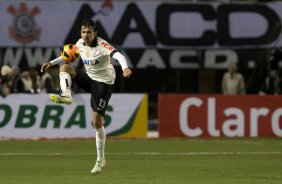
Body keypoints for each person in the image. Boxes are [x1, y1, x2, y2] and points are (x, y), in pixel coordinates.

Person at [40, 19, 132, 174]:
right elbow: (67, 55)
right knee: (65, 67)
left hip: (104, 83)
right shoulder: (80, 43)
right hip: (89, 78)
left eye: (89, 32)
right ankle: (66, 95)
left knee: (96, 121)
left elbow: (119, 56)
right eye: (83, 32)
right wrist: (51, 62)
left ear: (95, 33)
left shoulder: (102, 45)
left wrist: (125, 68)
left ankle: (100, 160)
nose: (86, 35)